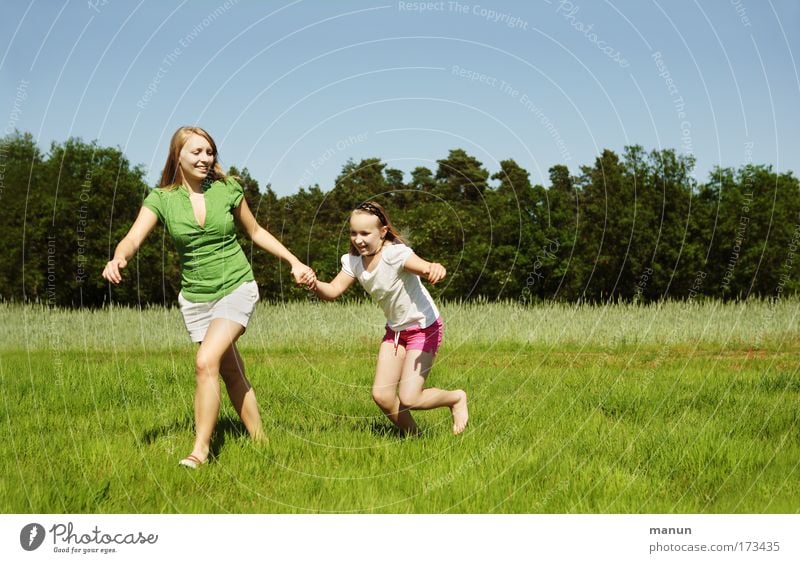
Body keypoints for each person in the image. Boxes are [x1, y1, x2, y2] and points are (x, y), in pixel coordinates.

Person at [102, 126, 315, 468]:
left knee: (205, 362)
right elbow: (132, 238)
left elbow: (256, 231)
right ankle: (262, 443)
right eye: (196, 152)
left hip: (236, 286)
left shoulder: (227, 189)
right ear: (178, 156)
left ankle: (200, 450)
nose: (205, 159)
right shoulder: (162, 199)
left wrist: (293, 261)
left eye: (209, 152)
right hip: (196, 297)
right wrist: (119, 257)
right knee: (231, 371)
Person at [309, 201, 468, 435]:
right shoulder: (352, 261)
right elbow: (332, 292)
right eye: (353, 233)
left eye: (365, 233)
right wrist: (313, 283)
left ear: (383, 233)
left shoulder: (395, 254)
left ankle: (456, 398)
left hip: (424, 328)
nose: (358, 239)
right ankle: (417, 437)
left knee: (410, 397)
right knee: (382, 396)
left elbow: (422, 266)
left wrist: (433, 268)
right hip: (395, 332)